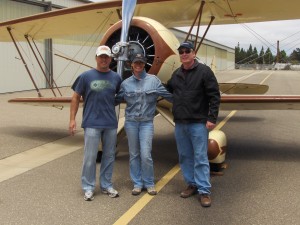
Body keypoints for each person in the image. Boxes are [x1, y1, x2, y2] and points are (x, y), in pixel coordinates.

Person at [166, 42, 220, 207]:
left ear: (194, 53)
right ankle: (192, 184)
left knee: (200, 157)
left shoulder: (204, 72)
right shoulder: (176, 74)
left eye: (187, 51)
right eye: (181, 52)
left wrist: (212, 118)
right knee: (185, 156)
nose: (184, 54)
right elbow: (167, 89)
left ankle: (204, 191)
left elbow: (214, 96)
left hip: (198, 123)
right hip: (180, 123)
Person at [69, 45, 122, 201]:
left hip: (110, 123)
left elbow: (121, 95)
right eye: (101, 56)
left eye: (106, 57)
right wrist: (72, 119)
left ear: (110, 59)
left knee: (109, 156)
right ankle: (88, 187)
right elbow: (75, 97)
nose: (104, 59)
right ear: (96, 58)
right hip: (91, 123)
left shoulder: (116, 77)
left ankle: (106, 185)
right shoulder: (85, 76)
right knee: (90, 156)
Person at [116, 53, 172, 196]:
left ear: (145, 63)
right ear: (131, 65)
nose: (138, 65)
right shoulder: (125, 83)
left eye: (141, 62)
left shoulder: (154, 81)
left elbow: (169, 97)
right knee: (134, 154)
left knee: (146, 154)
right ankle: (137, 183)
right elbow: (115, 100)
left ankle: (149, 183)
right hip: (131, 123)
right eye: (136, 63)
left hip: (147, 123)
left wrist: (188, 101)